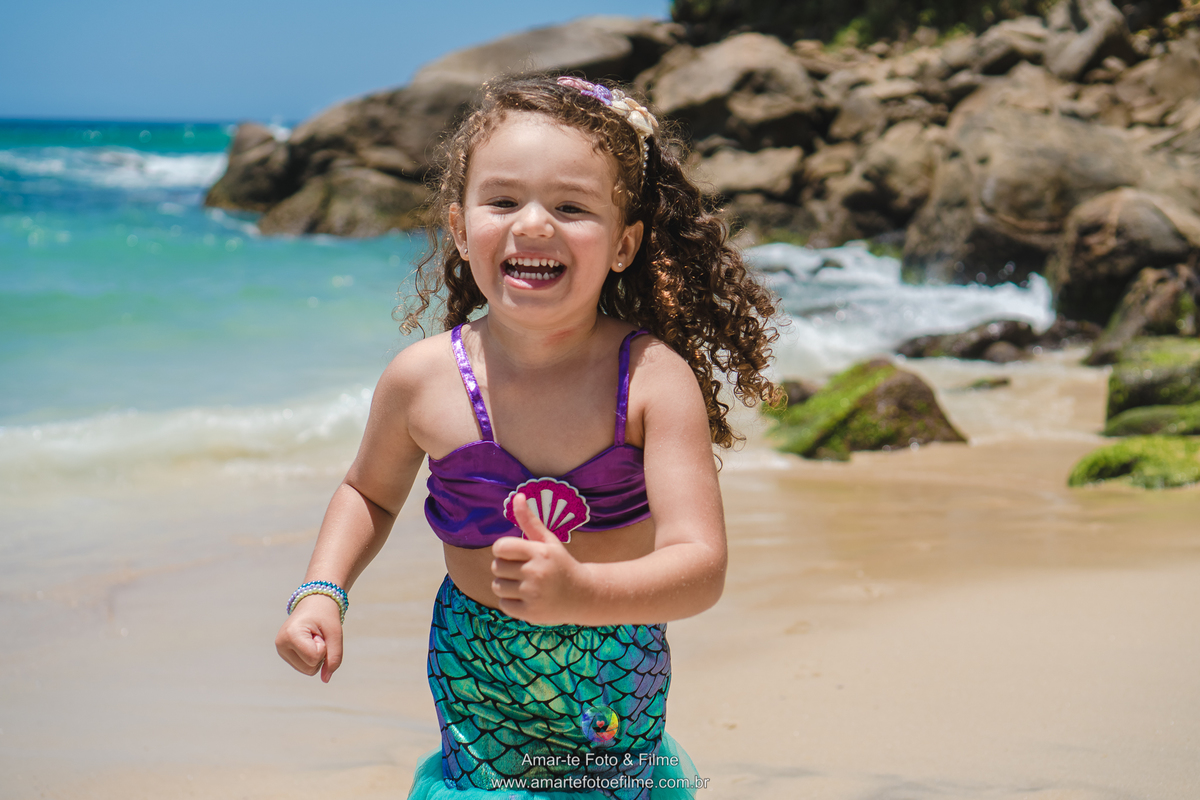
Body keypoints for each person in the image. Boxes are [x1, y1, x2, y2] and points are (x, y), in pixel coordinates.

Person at [275, 75, 779, 799]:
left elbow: (700, 566)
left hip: (612, 664)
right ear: (459, 227)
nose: (534, 224)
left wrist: (583, 590)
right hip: (477, 667)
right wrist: (322, 592)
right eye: (503, 201)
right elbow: (369, 492)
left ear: (623, 243)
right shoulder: (423, 379)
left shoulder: (650, 380)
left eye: (571, 207)